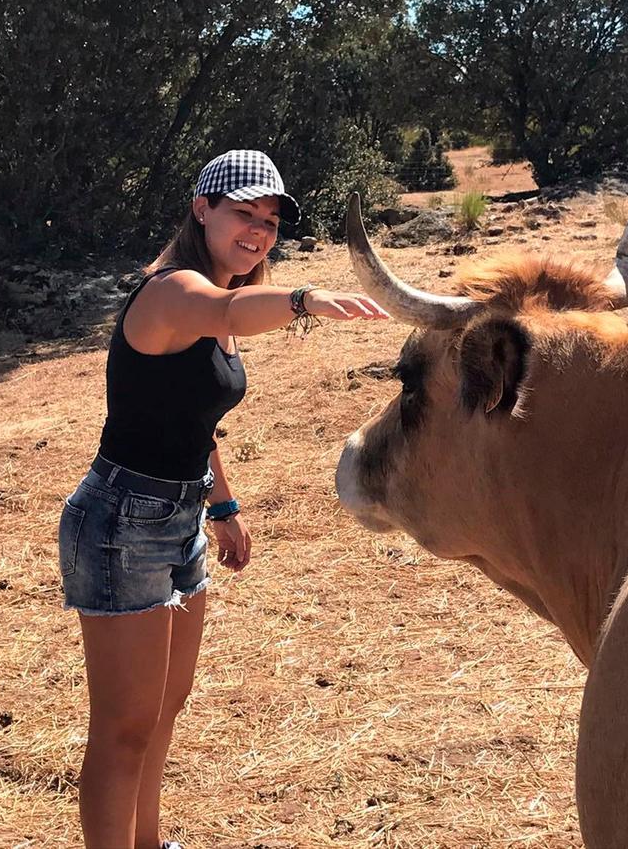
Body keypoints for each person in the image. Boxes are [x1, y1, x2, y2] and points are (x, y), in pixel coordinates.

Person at [57, 149, 389, 849]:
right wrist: (305, 300)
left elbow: (193, 420)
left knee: (164, 708)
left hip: (178, 517)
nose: (259, 231)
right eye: (245, 213)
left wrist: (223, 507)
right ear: (201, 208)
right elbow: (230, 305)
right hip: (123, 520)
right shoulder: (174, 292)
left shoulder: (214, 300)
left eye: (270, 220)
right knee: (121, 728)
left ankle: (147, 842)